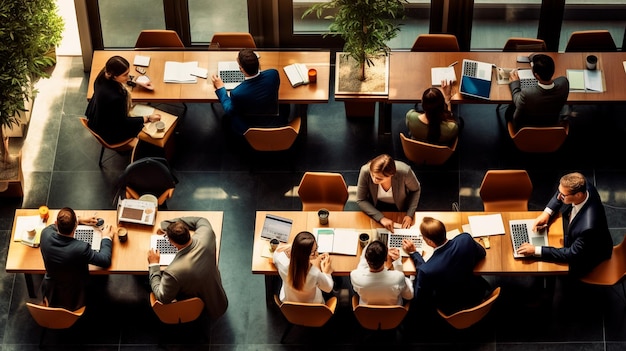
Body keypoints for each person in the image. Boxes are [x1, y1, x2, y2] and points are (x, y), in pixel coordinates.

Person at [517, 172, 613, 278]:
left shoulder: (588, 227)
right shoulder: (585, 186)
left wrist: (536, 250)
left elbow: (572, 254)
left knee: (547, 263)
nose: (559, 196)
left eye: (563, 195)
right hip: (580, 240)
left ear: (578, 195)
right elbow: (560, 193)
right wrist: (546, 213)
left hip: (589, 256)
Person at [402, 217, 490, 315]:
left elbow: (421, 298)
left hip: (451, 307)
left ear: (429, 242)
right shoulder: (465, 239)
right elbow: (482, 253)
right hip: (476, 293)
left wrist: (414, 253)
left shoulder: (427, 270)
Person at [148, 217, 228, 319]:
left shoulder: (173, 272)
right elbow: (200, 220)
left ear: (172, 243)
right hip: (216, 295)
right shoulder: (207, 234)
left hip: (195, 308)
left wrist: (154, 265)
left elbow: (162, 297)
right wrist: (166, 226)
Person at [40, 207, 114, 311]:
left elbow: (52, 227)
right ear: (75, 226)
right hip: (75, 295)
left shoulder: (45, 234)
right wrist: (106, 237)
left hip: (52, 291)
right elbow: (105, 260)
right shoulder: (81, 248)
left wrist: (79, 220)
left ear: (56, 224)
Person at [86, 55, 161, 144]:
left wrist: (136, 80)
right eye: (125, 74)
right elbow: (123, 122)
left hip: (97, 118)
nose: (128, 77)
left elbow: (121, 79)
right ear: (114, 76)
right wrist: (147, 118)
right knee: (147, 127)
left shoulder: (104, 74)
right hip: (110, 132)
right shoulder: (117, 98)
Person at [211, 49, 285, 135]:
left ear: (241, 69)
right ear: (258, 64)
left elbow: (230, 110)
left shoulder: (237, 93)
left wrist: (220, 88)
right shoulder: (273, 74)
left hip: (251, 129)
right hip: (275, 122)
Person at [356, 154, 421, 232]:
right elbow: (361, 199)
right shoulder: (365, 170)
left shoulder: (404, 172)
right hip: (375, 206)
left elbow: (415, 190)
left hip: (400, 207)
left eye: (379, 178)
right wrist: (381, 218)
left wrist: (409, 215)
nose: (374, 180)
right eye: (372, 175)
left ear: (392, 175)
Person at [506, 53, 569, 131]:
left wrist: (515, 83)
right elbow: (558, 80)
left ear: (536, 75)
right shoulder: (564, 83)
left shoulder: (527, 94)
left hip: (526, 130)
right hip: (552, 123)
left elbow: (517, 102)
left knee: (509, 110)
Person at [273, 231, 334, 303]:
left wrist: (297, 247)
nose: (317, 254)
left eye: (316, 249)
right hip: (313, 306)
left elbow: (277, 252)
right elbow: (328, 288)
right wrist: (326, 272)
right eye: (313, 252)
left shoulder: (282, 262)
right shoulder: (315, 274)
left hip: (289, 303)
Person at [350, 240, 413, 306]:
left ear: (366, 259)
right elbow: (409, 296)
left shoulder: (355, 276)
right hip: (393, 313)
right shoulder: (399, 278)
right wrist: (397, 263)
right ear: (386, 258)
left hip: (367, 313)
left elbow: (361, 266)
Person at [405, 80, 459, 146]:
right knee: (459, 121)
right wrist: (447, 97)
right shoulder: (451, 128)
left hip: (416, 152)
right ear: (443, 106)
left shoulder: (410, 117)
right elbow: (449, 116)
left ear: (422, 105)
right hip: (440, 154)